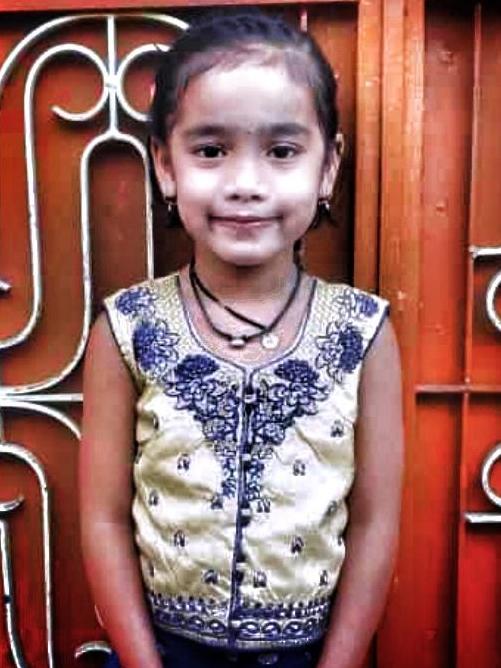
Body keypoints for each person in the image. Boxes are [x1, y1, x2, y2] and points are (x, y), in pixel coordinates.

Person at [79, 9, 403, 668]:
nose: (245, 184)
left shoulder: (361, 332)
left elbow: (374, 524)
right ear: (166, 166)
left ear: (327, 168)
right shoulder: (128, 327)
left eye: (282, 151)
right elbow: (103, 518)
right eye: (210, 150)